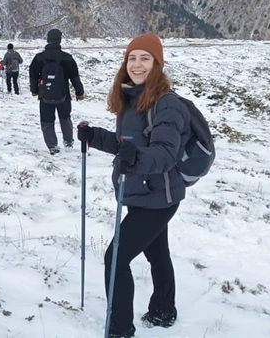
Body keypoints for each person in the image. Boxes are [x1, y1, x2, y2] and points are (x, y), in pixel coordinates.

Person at [76, 33, 191, 338]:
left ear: (157, 64)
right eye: (132, 58)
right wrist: (95, 137)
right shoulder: (131, 99)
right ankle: (163, 311)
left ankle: (120, 330)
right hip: (142, 192)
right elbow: (125, 146)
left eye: (145, 58)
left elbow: (164, 154)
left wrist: (134, 159)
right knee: (157, 253)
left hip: (159, 196)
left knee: (115, 258)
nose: (137, 64)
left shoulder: (167, 105)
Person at [29, 28, 85, 155]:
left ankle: (52, 146)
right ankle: (68, 142)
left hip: (45, 95)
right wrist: (79, 92)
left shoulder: (39, 58)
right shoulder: (67, 58)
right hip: (63, 95)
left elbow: (33, 76)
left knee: (47, 122)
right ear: (60, 40)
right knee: (65, 119)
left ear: (48, 40)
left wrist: (34, 90)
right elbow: (75, 77)